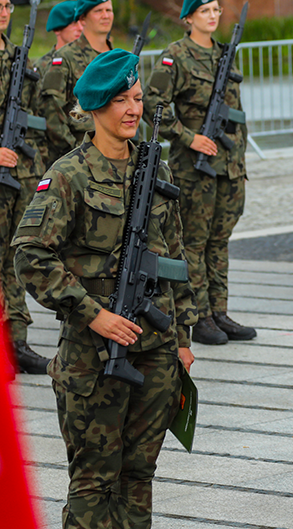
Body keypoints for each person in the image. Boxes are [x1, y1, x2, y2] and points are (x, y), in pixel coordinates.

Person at [13, 48, 197, 527]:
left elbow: (175, 256)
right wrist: (94, 313)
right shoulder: (69, 175)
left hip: (155, 348)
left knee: (139, 474)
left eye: (137, 98)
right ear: (94, 108)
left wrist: (182, 338)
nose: (133, 109)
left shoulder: (156, 167)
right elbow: (29, 256)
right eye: (121, 101)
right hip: (92, 354)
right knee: (94, 480)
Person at [143, 0, 256, 346]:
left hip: (228, 165)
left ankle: (219, 311)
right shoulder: (175, 56)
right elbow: (152, 104)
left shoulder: (225, 55)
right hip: (194, 166)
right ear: (188, 17)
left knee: (220, 241)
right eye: (204, 10)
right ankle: (198, 316)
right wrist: (187, 136)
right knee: (193, 242)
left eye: (216, 9)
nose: (212, 15)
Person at [0, 0, 50, 374]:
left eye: (6, 5)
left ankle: (18, 341)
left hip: (18, 173)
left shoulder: (19, 58)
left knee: (16, 257)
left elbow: (38, 111)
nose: (4, 11)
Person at [38, 0, 113, 166]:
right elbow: (51, 113)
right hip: (80, 160)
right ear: (82, 18)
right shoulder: (65, 58)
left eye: (109, 10)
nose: (105, 15)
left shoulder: (117, 58)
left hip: (117, 155)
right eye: (98, 11)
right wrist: (78, 152)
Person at [35, 0, 82, 170]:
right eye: (73, 23)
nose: (80, 28)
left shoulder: (86, 61)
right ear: (58, 29)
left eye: (81, 22)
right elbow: (49, 112)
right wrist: (77, 148)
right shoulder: (43, 66)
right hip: (60, 153)